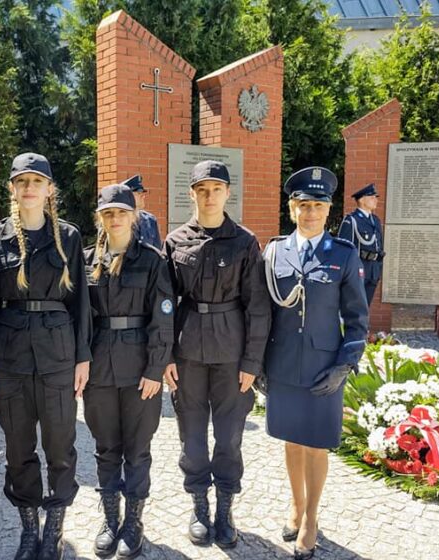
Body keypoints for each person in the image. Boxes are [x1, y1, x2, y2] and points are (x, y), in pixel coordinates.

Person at [0, 152, 91, 560]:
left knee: (60, 445)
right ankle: (29, 528)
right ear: (12, 188)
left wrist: (83, 358)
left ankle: (54, 528)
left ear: (49, 189)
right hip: (9, 358)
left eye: (37, 181)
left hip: (58, 355)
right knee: (18, 447)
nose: (29, 188)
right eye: (22, 181)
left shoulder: (70, 237)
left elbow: (81, 304)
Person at [162, 160, 271, 549]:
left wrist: (251, 363)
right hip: (188, 351)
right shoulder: (175, 242)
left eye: (216, 189)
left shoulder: (244, 242)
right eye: (202, 189)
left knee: (229, 437)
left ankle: (225, 509)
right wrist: (165, 358)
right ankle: (198, 506)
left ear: (228, 193)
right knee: (191, 435)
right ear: (191, 194)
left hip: (231, 354)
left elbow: (257, 306)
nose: (209, 196)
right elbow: (164, 304)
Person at [262, 167, 368, 559]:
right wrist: (258, 364)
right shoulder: (273, 251)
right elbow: (262, 314)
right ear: (292, 209)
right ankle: (295, 504)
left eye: (318, 206)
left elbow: (358, 318)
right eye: (303, 205)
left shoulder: (342, 254)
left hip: (325, 368)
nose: (310, 213)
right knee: (292, 440)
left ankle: (311, 518)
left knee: (316, 446)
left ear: (328, 211)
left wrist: (345, 365)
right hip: (284, 364)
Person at [83, 184, 175, 559]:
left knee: (137, 450)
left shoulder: (152, 260)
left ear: (134, 217)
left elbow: (163, 318)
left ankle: (134, 522)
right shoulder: (87, 260)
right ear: (100, 218)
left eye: (122, 212)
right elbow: (79, 320)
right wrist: (79, 365)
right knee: (106, 449)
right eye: (109, 213)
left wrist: (156, 369)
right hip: (100, 370)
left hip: (140, 369)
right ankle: (110, 519)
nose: (116, 218)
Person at [337, 183, 384, 304]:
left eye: (376, 197)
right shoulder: (351, 220)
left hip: (373, 270)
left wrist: (378, 268)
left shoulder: (376, 220)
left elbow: (379, 245)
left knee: (366, 306)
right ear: (362, 200)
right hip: (358, 270)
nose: (376, 200)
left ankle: (363, 324)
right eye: (372, 197)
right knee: (354, 306)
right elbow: (343, 249)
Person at [123, 175, 162, 249]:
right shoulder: (118, 221)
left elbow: (158, 250)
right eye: (138, 193)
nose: (143, 196)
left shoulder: (150, 220)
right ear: (128, 196)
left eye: (142, 193)